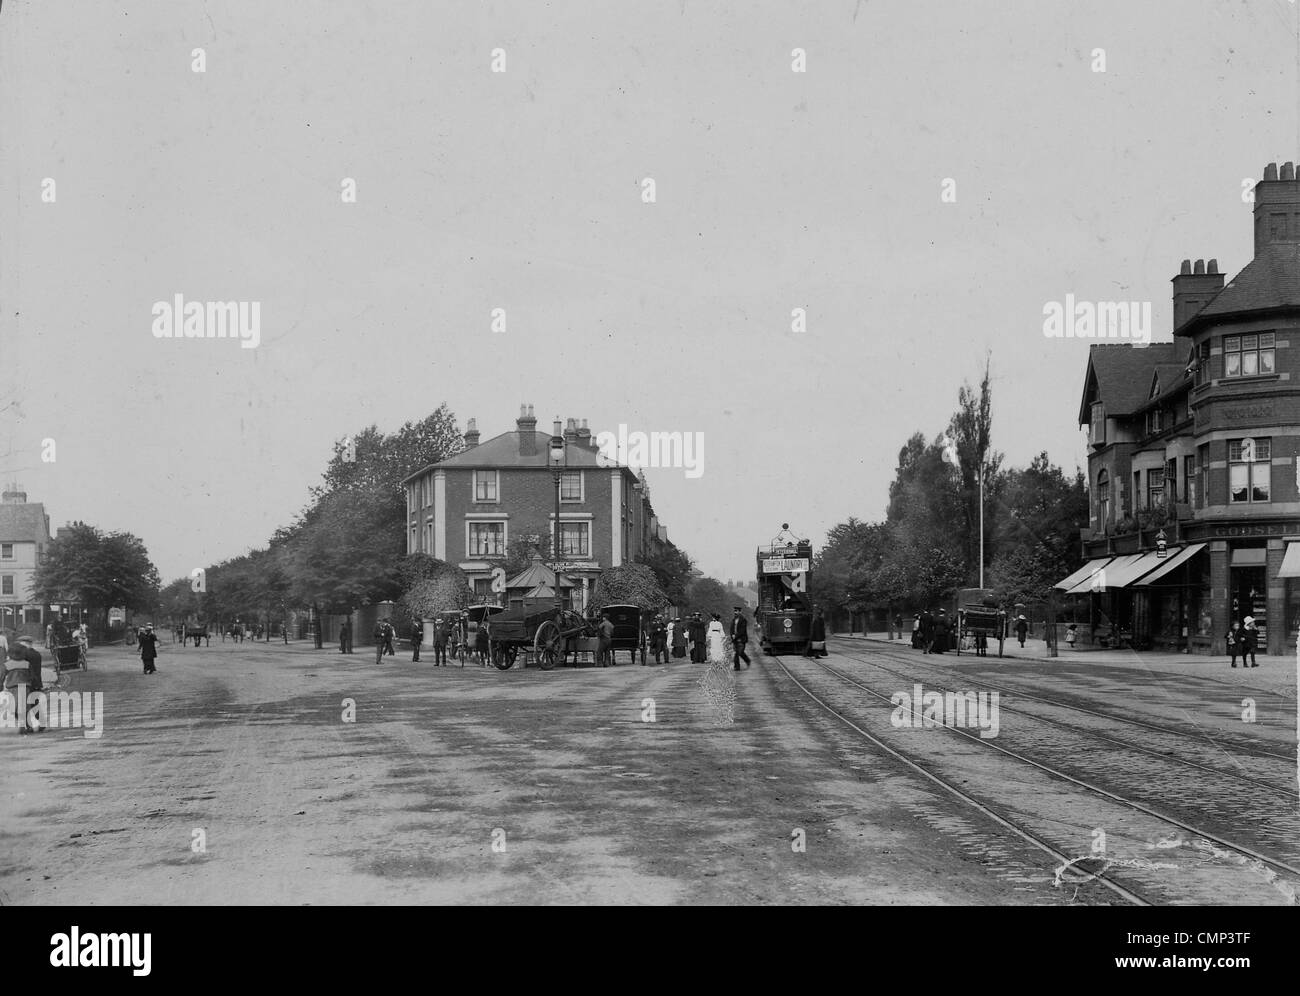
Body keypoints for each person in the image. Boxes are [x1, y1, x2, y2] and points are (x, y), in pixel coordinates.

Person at [6, 635, 43, 734]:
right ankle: (39, 723)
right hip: (34, 683)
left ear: (24, 643)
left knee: (20, 707)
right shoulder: (37, 654)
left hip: (22, 684)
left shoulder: (23, 656)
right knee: (34, 704)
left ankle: (26, 725)